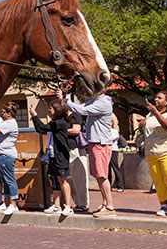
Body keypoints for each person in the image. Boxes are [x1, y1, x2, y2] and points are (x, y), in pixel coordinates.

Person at [57, 87, 116, 218]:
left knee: (102, 175)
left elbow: (82, 110)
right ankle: (105, 203)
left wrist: (64, 100)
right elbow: (79, 106)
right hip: (95, 142)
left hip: (101, 143)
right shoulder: (94, 101)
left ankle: (110, 206)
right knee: (98, 175)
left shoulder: (104, 102)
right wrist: (67, 96)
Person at [136, 91, 167, 218]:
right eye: (155, 98)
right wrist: (142, 128)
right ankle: (164, 206)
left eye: (159, 98)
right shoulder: (150, 116)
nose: (156, 100)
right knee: (159, 181)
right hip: (152, 153)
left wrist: (156, 112)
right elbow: (145, 136)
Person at [30, 100, 74, 216]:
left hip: (60, 156)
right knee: (54, 180)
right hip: (52, 156)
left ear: (58, 110)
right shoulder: (54, 123)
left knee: (63, 180)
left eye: (51, 108)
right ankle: (57, 205)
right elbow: (40, 129)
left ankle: (68, 206)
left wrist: (35, 116)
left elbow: (42, 128)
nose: (49, 110)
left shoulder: (60, 123)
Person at [108, 116, 126, 192]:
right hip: (106, 151)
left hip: (113, 150)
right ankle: (108, 186)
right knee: (107, 169)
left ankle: (120, 185)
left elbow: (110, 139)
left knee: (115, 167)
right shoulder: (104, 131)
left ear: (112, 122)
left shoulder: (114, 131)